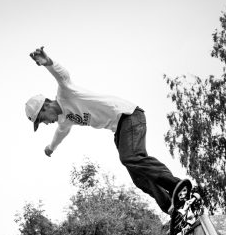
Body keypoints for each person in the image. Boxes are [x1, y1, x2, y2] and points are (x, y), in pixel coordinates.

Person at [25, 46, 191, 215]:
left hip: (129, 115)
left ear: (45, 106)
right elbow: (60, 134)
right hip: (120, 128)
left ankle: (176, 185)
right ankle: (172, 209)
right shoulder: (65, 120)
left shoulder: (65, 94)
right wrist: (51, 148)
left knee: (131, 158)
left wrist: (48, 63)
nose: (45, 123)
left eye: (42, 119)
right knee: (138, 178)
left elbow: (62, 76)